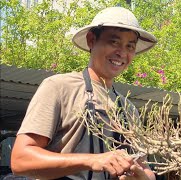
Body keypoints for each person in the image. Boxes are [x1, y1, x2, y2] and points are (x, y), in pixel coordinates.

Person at [11, 7, 157, 180]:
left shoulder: (128, 109)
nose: (122, 53)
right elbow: (20, 160)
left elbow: (144, 167)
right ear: (91, 40)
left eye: (130, 46)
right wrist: (91, 160)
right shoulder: (59, 87)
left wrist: (144, 177)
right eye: (114, 42)